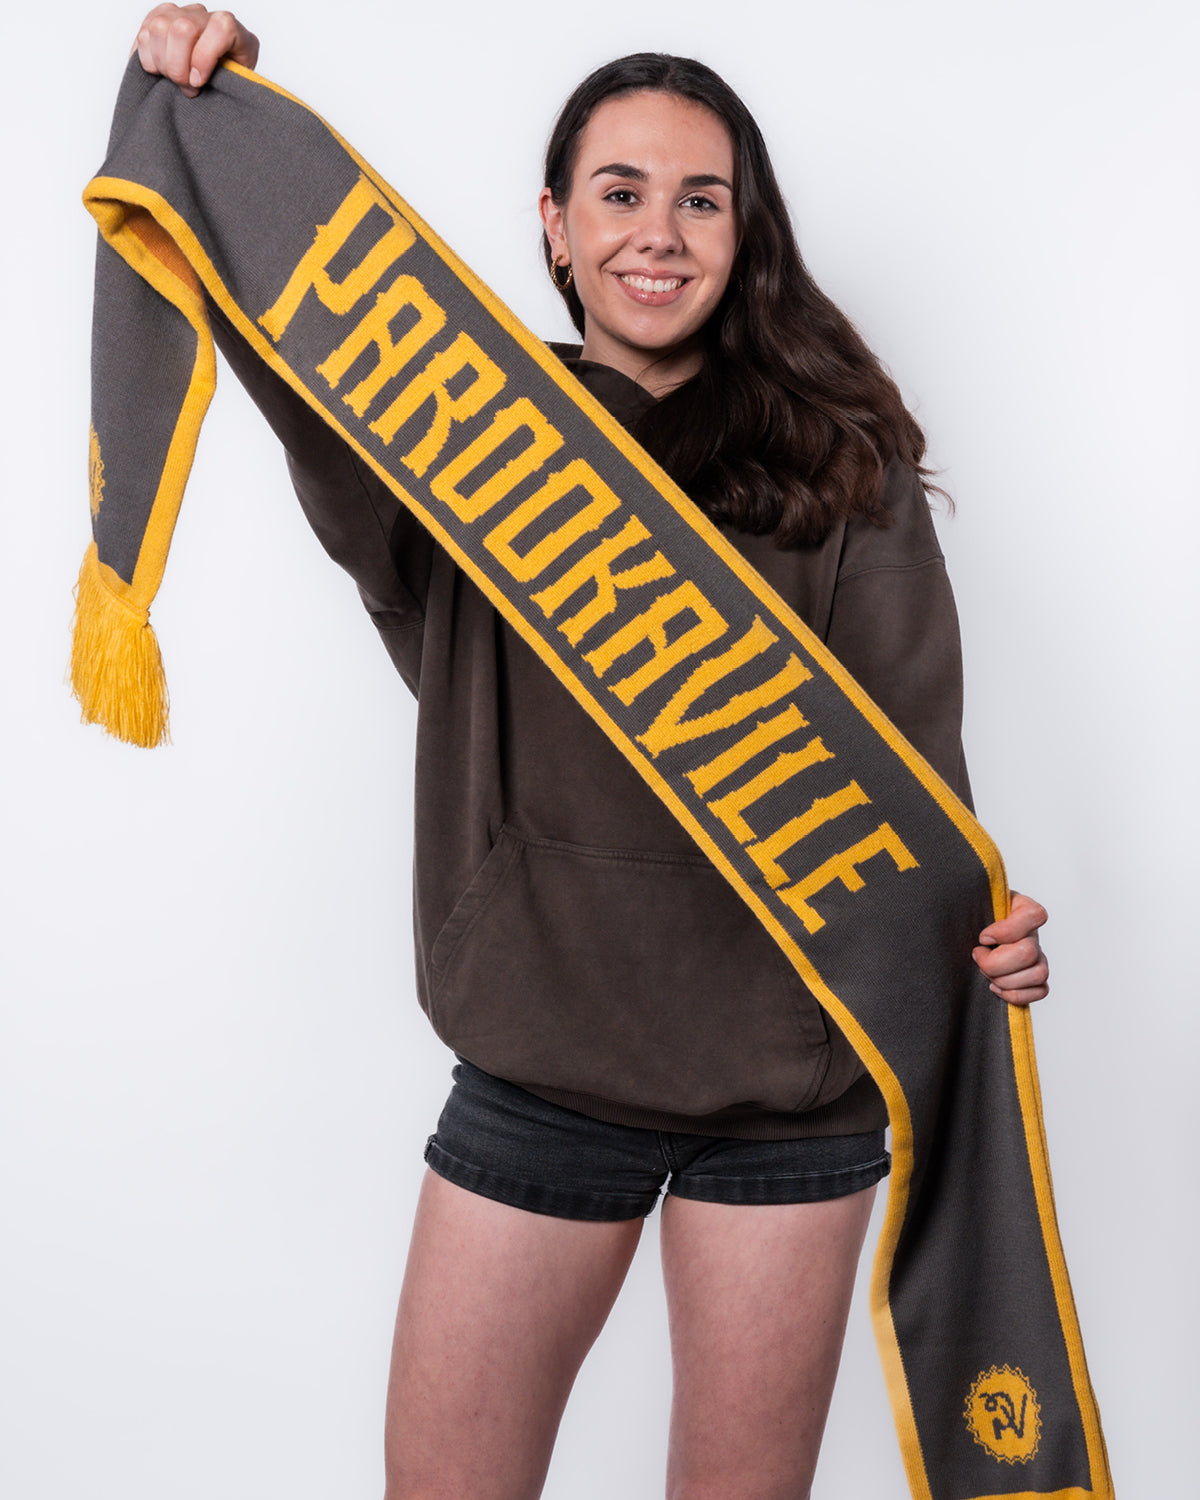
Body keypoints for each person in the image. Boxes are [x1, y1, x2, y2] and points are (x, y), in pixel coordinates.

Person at [130, 9, 1053, 1499]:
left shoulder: (846, 461)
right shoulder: (472, 439)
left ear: (745, 234)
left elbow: (912, 771)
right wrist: (216, 102)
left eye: (703, 198)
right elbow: (299, 360)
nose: (660, 234)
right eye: (619, 192)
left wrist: (978, 932)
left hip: (790, 1096)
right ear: (555, 227)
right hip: (539, 1066)